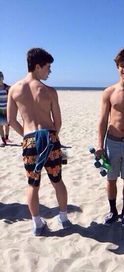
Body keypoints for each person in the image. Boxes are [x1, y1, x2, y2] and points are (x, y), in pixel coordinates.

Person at [7, 48, 72, 236]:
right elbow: (58, 122)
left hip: (29, 141)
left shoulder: (14, 89)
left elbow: (11, 120)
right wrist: (52, 138)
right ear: (37, 66)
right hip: (50, 138)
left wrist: (27, 137)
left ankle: (37, 223)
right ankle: (64, 218)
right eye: (48, 67)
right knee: (57, 180)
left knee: (32, 183)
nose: (49, 71)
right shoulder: (49, 91)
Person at [96, 48, 124, 227]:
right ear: (117, 68)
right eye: (122, 66)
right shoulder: (109, 92)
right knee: (111, 179)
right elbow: (102, 120)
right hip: (111, 143)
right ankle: (112, 211)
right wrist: (99, 144)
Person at [0, 71, 11, 147]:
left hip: (7, 109)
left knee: (7, 124)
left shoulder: (7, 87)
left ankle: (7, 138)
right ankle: (3, 140)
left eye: (0, 77)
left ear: (2, 78)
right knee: (0, 126)